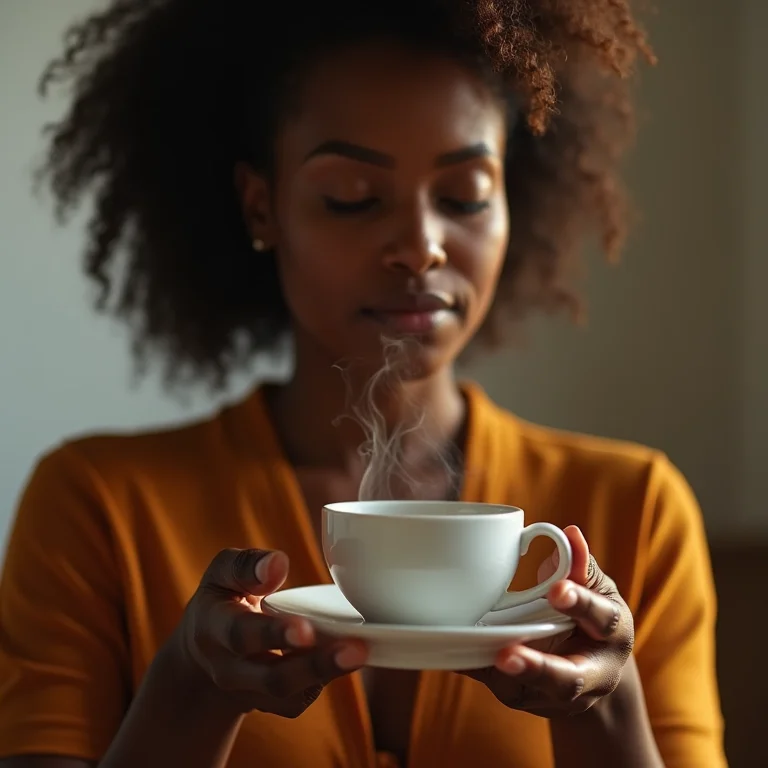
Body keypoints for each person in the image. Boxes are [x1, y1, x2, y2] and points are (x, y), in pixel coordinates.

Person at [0, 1, 726, 767]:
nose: (419, 248)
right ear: (262, 206)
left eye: (465, 195)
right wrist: (190, 688)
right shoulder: (98, 505)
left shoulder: (637, 508)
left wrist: (599, 710)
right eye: (352, 195)